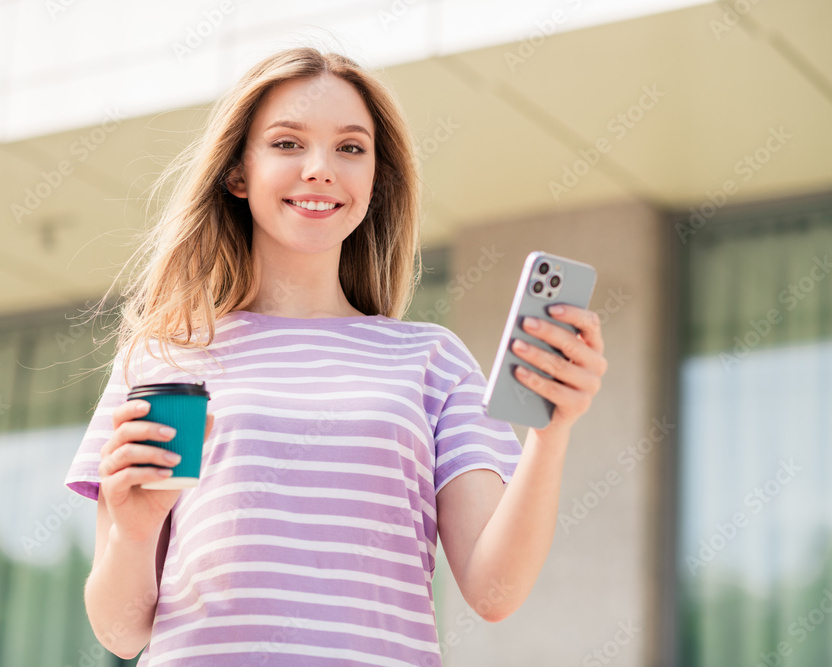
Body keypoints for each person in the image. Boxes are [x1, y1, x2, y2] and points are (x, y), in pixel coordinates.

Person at [64, 45, 607, 666]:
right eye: (287, 143)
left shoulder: (431, 360)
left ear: (374, 180)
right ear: (237, 173)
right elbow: (121, 632)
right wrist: (134, 534)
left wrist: (552, 432)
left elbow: (494, 592)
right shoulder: (168, 358)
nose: (321, 169)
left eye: (350, 148)